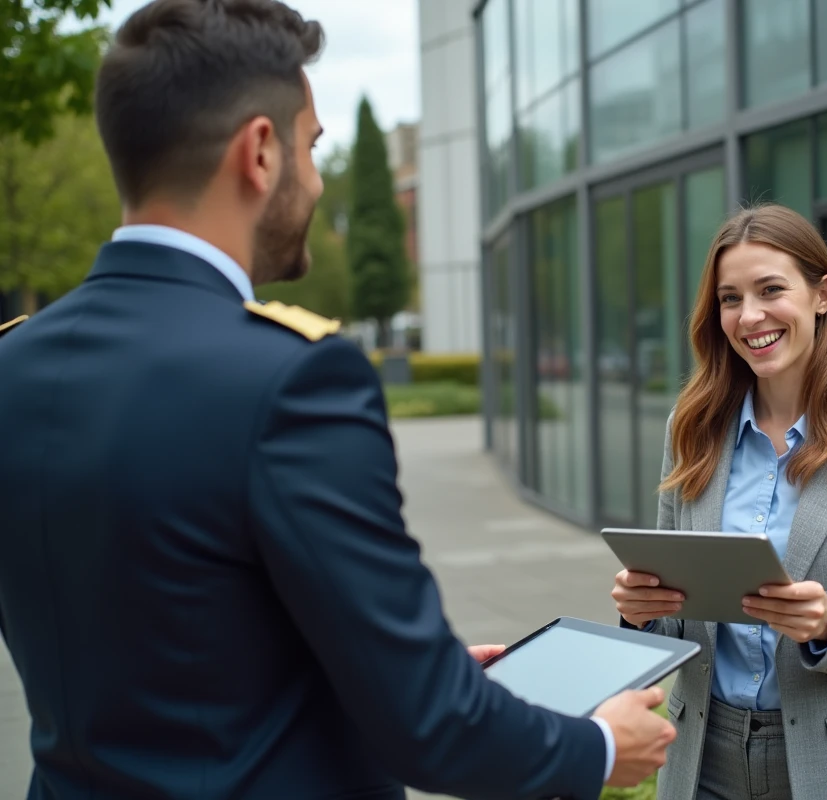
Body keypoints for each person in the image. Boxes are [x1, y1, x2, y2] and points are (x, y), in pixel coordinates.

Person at [0, 1, 675, 798]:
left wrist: (403, 669)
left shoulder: (15, 360)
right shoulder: (292, 378)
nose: (317, 179)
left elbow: (170, 635)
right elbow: (434, 729)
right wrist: (597, 745)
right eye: (312, 147)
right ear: (259, 151)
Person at [610, 204, 827, 800]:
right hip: (700, 761)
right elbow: (671, 625)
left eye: (771, 290)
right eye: (730, 298)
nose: (750, 316)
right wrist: (642, 612)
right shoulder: (690, 431)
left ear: (822, 295)